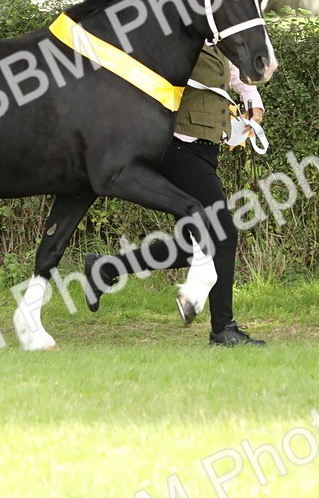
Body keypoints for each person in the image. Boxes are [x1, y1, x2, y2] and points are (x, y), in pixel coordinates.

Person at [84, 45, 266, 347]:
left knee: (190, 246)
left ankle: (106, 267)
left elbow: (234, 72)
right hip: (180, 146)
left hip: (205, 148)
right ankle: (223, 329)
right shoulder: (182, 33)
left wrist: (252, 102)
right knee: (223, 234)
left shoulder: (216, 36)